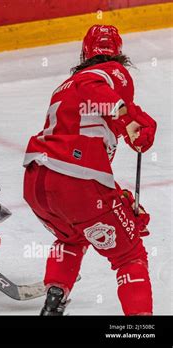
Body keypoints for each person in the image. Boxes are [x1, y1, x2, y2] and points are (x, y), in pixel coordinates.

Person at [23, 25, 157, 315]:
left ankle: (54, 300)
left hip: (38, 181)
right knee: (130, 253)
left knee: (72, 235)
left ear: (84, 53)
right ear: (118, 55)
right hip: (75, 179)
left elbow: (79, 165)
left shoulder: (65, 87)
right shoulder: (109, 73)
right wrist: (130, 120)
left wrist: (120, 199)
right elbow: (95, 91)